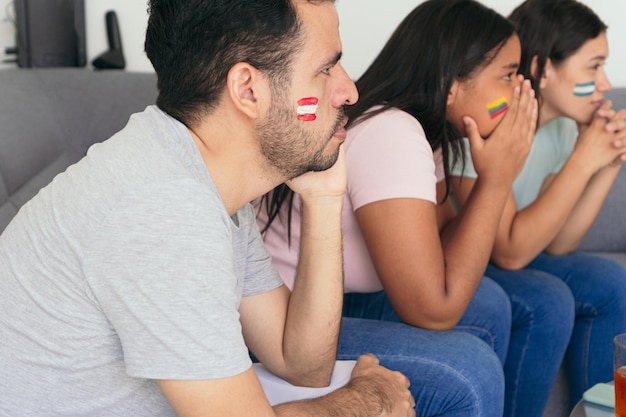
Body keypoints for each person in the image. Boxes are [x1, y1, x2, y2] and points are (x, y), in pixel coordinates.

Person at [0, 1, 417, 416]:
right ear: (248, 90)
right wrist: (372, 400)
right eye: (326, 69)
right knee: (448, 384)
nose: (349, 91)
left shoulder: (200, 176)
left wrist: (323, 198)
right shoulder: (165, 209)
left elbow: (301, 364)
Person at [257, 0, 540, 415]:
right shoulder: (391, 131)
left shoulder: (430, 135)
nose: (519, 91)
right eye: (508, 75)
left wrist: (490, 172)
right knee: (469, 369)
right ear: (451, 81)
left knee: (489, 302)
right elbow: (434, 308)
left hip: (334, 299)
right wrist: (496, 183)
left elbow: (443, 249)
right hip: (277, 322)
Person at [451, 0, 626, 414]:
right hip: (465, 259)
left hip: (511, 254)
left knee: (609, 280)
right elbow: (509, 251)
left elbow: (561, 242)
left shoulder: (563, 127)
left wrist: (606, 163)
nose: (604, 84)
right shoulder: (489, 116)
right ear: (544, 68)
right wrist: (584, 158)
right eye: (593, 66)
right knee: (547, 299)